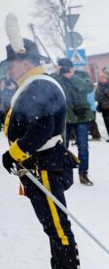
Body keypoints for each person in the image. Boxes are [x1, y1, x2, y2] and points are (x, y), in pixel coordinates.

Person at [0, 25, 79, 268]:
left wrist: (13, 153)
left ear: (25, 63)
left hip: (43, 164)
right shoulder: (34, 84)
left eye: (12, 65)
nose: (10, 70)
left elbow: (41, 127)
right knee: (53, 226)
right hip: (40, 164)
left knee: (57, 226)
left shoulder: (38, 85)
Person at [53, 58, 96, 186]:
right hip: (64, 118)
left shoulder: (81, 75)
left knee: (83, 147)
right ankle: (61, 173)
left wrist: (72, 77)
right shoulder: (56, 78)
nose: (65, 70)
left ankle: (83, 174)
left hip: (81, 117)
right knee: (62, 147)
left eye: (67, 68)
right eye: (62, 67)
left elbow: (87, 87)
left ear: (71, 67)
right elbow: (49, 89)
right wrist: (58, 74)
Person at [96, 73, 109, 141]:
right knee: (106, 123)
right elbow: (96, 96)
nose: (101, 79)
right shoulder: (99, 86)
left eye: (103, 78)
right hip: (103, 107)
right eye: (100, 78)